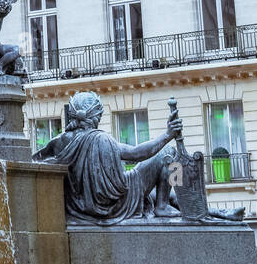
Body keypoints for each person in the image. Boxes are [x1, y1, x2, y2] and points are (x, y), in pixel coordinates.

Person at [32, 90, 182, 224]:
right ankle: (162, 207)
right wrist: (168, 135)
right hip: (118, 202)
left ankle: (170, 201)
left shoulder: (60, 141)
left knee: (156, 193)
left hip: (83, 207)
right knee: (168, 152)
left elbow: (33, 160)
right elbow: (137, 153)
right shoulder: (102, 139)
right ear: (95, 116)